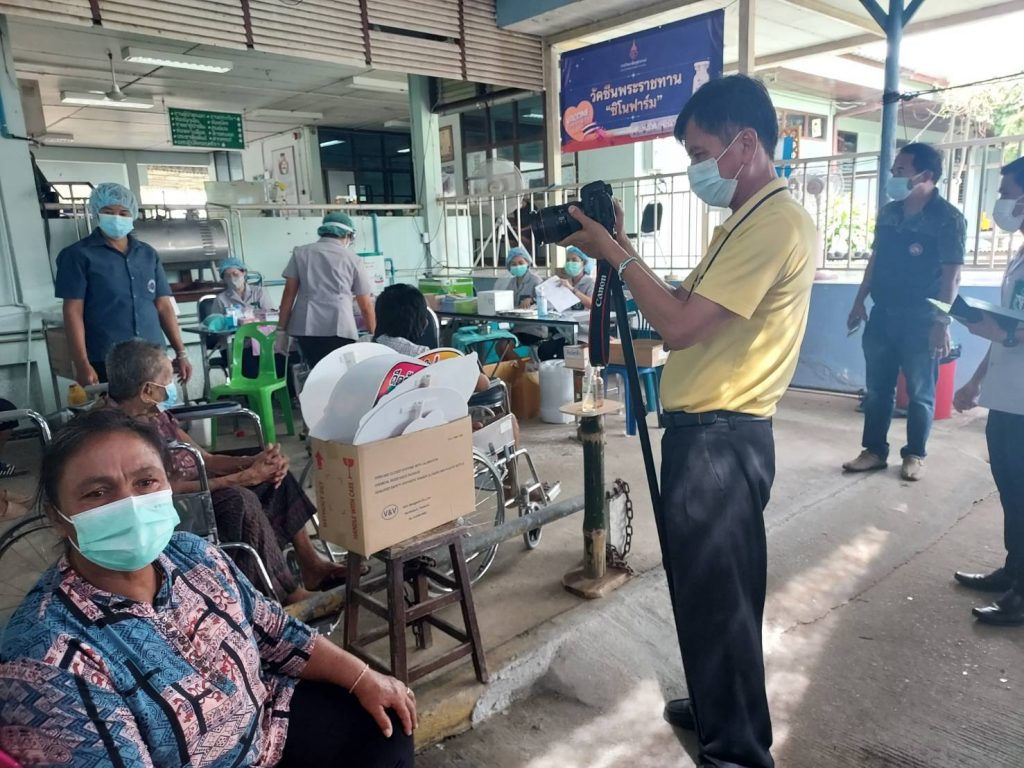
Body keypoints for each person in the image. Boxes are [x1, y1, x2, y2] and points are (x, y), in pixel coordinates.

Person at [562, 74, 816, 768]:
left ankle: (737, 750)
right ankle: (715, 706)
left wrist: (616, 254)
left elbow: (677, 327)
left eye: (701, 153)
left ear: (746, 143)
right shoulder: (743, 222)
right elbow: (682, 302)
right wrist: (621, 248)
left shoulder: (774, 225)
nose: (695, 168)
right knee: (706, 592)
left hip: (720, 440)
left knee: (722, 600)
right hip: (708, 434)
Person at [0, 408, 416, 766]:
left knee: (386, 725)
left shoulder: (191, 555)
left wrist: (365, 678)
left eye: (145, 482)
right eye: (97, 492)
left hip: (265, 731)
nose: (129, 505)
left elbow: (276, 632)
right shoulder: (47, 655)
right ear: (57, 517)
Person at [104, 338, 346, 605]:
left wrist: (255, 461)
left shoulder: (155, 413)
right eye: (167, 381)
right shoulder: (118, 435)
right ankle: (285, 593)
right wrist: (242, 478)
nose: (171, 387)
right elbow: (163, 490)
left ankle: (311, 565)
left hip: (199, 483)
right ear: (148, 390)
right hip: (180, 505)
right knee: (239, 499)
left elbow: (205, 459)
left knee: (275, 475)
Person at [843, 143, 966, 481]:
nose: (893, 175)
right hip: (882, 313)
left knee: (921, 393)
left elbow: (952, 277)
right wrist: (859, 301)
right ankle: (873, 451)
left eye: (901, 170)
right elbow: (875, 260)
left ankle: (914, 454)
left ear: (926, 175)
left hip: (922, 318)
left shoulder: (948, 219)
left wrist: (942, 322)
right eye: (894, 169)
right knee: (878, 390)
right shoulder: (890, 213)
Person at [951, 156, 1024, 626]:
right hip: (1007, 394)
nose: (1001, 203)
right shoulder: (1019, 254)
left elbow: (1012, 330)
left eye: (1008, 192)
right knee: (1011, 490)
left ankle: (1021, 595)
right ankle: (1014, 572)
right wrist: (976, 379)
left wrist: (1005, 334)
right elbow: (1007, 326)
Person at [54, 182, 192, 387]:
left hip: (153, 356)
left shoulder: (147, 254)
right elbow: (72, 312)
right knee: (116, 407)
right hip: (107, 358)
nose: (116, 218)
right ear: (96, 213)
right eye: (108, 212)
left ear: (132, 214)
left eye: (123, 213)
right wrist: (82, 363)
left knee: (156, 406)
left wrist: (181, 352)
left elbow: (163, 305)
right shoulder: (78, 255)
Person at [277, 212, 376, 368]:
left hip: (306, 328)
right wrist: (373, 334)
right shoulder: (353, 259)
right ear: (348, 235)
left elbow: (289, 294)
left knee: (314, 370)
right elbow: (365, 305)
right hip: (340, 328)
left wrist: (281, 330)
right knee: (339, 373)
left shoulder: (300, 253)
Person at [494, 246, 547, 346]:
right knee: (500, 346)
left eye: (521, 263)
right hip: (517, 327)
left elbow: (546, 301)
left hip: (534, 329)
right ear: (509, 267)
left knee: (504, 346)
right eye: (514, 264)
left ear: (527, 263)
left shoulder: (535, 280)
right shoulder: (511, 282)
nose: (517, 266)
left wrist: (532, 299)